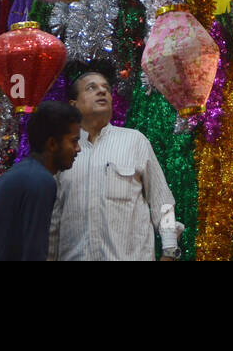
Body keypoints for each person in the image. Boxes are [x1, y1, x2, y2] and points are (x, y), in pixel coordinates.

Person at [48, 62, 182, 261]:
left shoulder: (134, 141)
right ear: (73, 105)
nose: (102, 91)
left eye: (106, 89)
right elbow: (54, 221)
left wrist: (170, 251)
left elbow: (163, 203)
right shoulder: (63, 151)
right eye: (91, 88)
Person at [0, 101, 82, 261]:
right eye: (74, 141)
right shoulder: (40, 181)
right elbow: (33, 251)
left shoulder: (18, 173)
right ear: (52, 144)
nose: (78, 148)